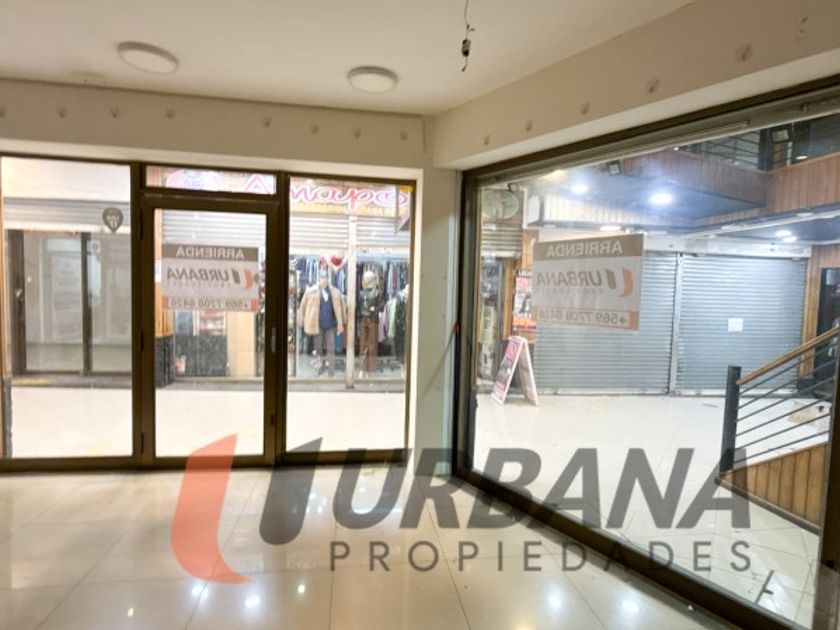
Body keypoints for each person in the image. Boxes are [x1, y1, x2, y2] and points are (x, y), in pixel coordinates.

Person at [298, 269, 346, 377]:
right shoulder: (311, 291)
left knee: (331, 347)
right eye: (322, 278)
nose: (324, 280)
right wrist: (302, 321)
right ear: (319, 279)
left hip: (330, 324)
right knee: (318, 348)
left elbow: (342, 306)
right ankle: (318, 369)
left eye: (325, 278)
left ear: (328, 279)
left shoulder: (335, 292)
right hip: (317, 324)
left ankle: (331, 370)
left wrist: (342, 321)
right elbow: (302, 307)